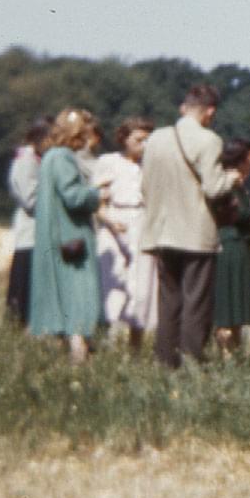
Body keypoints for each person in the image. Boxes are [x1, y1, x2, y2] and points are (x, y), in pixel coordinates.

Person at [138, 84, 245, 369]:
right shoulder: (209, 140)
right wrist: (233, 178)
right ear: (210, 112)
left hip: (161, 231)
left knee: (168, 302)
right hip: (196, 233)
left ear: (183, 108)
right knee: (196, 303)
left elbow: (144, 185)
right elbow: (213, 188)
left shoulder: (155, 139)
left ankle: (165, 362)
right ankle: (192, 364)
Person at [28, 107, 108, 364]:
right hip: (71, 238)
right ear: (77, 133)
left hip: (56, 236)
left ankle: (67, 356)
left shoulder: (50, 156)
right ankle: (79, 356)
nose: (88, 139)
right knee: (79, 296)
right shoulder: (64, 157)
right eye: (85, 133)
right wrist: (98, 194)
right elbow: (73, 196)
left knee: (65, 296)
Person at [93, 115, 159, 353]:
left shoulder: (150, 166)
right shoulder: (109, 162)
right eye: (139, 140)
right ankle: (107, 345)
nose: (144, 145)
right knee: (112, 286)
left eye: (147, 140)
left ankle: (135, 347)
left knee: (140, 288)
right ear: (124, 139)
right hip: (115, 224)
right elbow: (97, 202)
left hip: (142, 223)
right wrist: (110, 222)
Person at [211, 138, 250, 354]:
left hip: (236, 243)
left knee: (233, 308)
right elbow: (238, 215)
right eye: (249, 160)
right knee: (228, 307)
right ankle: (227, 354)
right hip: (232, 245)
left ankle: (234, 355)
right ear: (240, 161)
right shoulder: (228, 183)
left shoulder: (231, 183)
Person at [4, 114, 52, 327]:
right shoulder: (26, 160)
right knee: (24, 288)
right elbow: (30, 199)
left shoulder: (39, 159)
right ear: (40, 137)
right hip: (30, 234)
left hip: (42, 234)